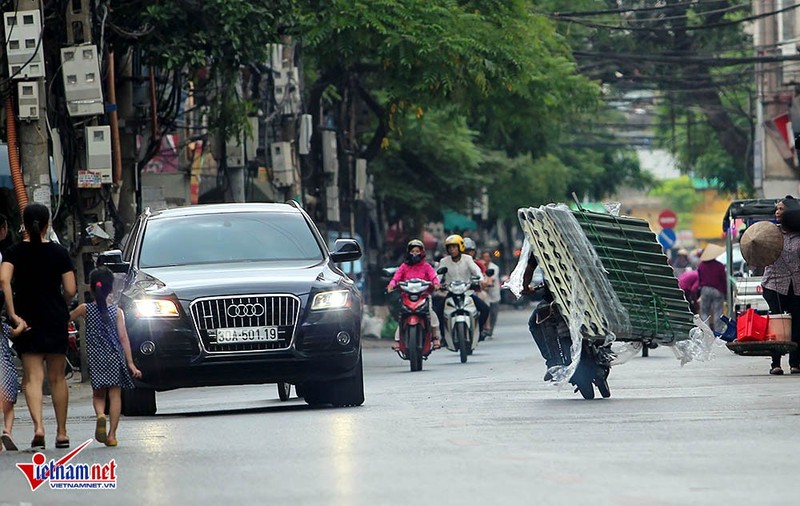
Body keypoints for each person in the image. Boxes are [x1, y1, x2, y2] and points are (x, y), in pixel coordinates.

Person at [0, 203, 76, 450]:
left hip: (27, 319)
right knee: (57, 378)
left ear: (24, 223)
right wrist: (60, 304)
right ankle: (62, 433)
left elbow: (3, 279)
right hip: (54, 318)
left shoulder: (13, 252)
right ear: (47, 224)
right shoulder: (59, 253)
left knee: (33, 378)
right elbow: (71, 289)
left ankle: (39, 428)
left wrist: (12, 313)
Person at [69, 267, 141, 447]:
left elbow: (65, 319)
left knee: (98, 395)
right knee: (115, 396)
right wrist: (131, 363)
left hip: (96, 358)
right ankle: (112, 435)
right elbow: (124, 338)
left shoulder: (85, 309)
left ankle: (101, 415)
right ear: (110, 289)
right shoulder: (117, 312)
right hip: (114, 356)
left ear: (91, 288)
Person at [761, 196, 800, 376]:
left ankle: (795, 362)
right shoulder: (770, 233)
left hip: (797, 285)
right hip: (774, 284)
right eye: (776, 209)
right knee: (777, 324)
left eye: (781, 209)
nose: (777, 212)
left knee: (797, 324)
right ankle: (775, 363)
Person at [386, 239, 441, 350]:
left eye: (417, 251)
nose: (415, 254)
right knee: (402, 316)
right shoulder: (404, 267)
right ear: (408, 253)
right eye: (413, 251)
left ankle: (435, 337)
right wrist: (391, 285)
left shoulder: (426, 266)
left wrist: (436, 284)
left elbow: (433, 277)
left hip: (423, 296)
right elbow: (396, 277)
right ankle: (398, 340)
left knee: (431, 313)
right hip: (407, 296)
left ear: (422, 252)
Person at [433, 234, 490, 338]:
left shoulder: (467, 259)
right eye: (450, 247)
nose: (452, 250)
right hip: (451, 293)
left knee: (485, 309)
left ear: (460, 247)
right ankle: (443, 337)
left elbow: (476, 270)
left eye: (454, 247)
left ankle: (480, 331)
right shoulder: (444, 261)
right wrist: (436, 284)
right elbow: (438, 275)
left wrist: (481, 280)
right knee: (438, 311)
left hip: (467, 292)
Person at [1, 309, 26, 451]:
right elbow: (17, 331)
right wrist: (21, 323)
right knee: (8, 407)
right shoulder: (4, 327)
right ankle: (7, 431)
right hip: (6, 371)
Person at [697, 244, 726, 333]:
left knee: (704, 312)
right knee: (718, 312)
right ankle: (718, 332)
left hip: (705, 290)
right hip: (717, 290)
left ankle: (706, 332)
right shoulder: (720, 266)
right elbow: (723, 280)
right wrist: (725, 292)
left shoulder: (701, 265)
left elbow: (700, 278)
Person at [480, 250, 501, 338]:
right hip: (485, 292)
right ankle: (485, 329)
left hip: (494, 292)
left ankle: (491, 330)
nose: (486, 259)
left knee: (494, 313)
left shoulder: (494, 267)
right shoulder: (480, 266)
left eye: (487, 257)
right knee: (486, 310)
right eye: (484, 257)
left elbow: (492, 278)